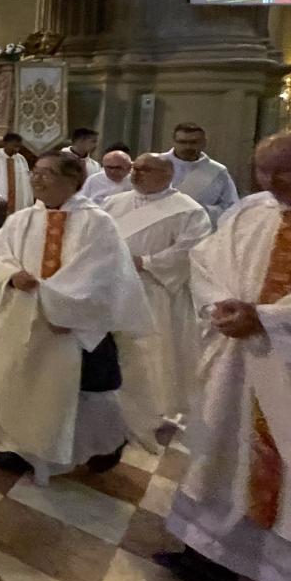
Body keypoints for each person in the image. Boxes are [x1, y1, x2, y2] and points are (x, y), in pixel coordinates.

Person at [157, 133, 291, 581]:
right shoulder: (251, 211)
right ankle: (212, 556)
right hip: (238, 364)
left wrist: (273, 319)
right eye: (261, 170)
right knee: (225, 454)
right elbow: (206, 261)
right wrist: (220, 305)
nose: (270, 181)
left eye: (284, 171)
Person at [0, 152, 150, 483]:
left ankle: (91, 448)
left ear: (73, 179)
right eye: (35, 172)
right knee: (18, 379)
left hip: (71, 326)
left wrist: (59, 306)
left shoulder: (97, 223)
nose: (37, 179)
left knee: (83, 391)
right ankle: (19, 446)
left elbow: (101, 274)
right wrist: (11, 275)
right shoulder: (21, 220)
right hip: (23, 319)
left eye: (47, 173)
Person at [105, 154, 212, 451]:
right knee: (117, 351)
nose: (137, 174)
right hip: (114, 289)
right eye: (135, 169)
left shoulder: (189, 211)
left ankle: (151, 414)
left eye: (145, 169)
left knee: (154, 354)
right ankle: (111, 409)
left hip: (157, 292)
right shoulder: (114, 203)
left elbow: (194, 250)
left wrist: (148, 262)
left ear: (167, 174)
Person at [159, 122, 239, 225]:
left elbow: (232, 207)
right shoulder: (155, 164)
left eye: (194, 142)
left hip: (200, 229)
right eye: (182, 142)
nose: (188, 147)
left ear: (204, 142)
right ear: (174, 142)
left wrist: (202, 210)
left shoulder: (217, 171)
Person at [0, 132, 34, 214]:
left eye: (19, 147)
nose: (17, 150)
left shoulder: (21, 159)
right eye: (14, 146)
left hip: (17, 203)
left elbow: (25, 184)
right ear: (5, 144)